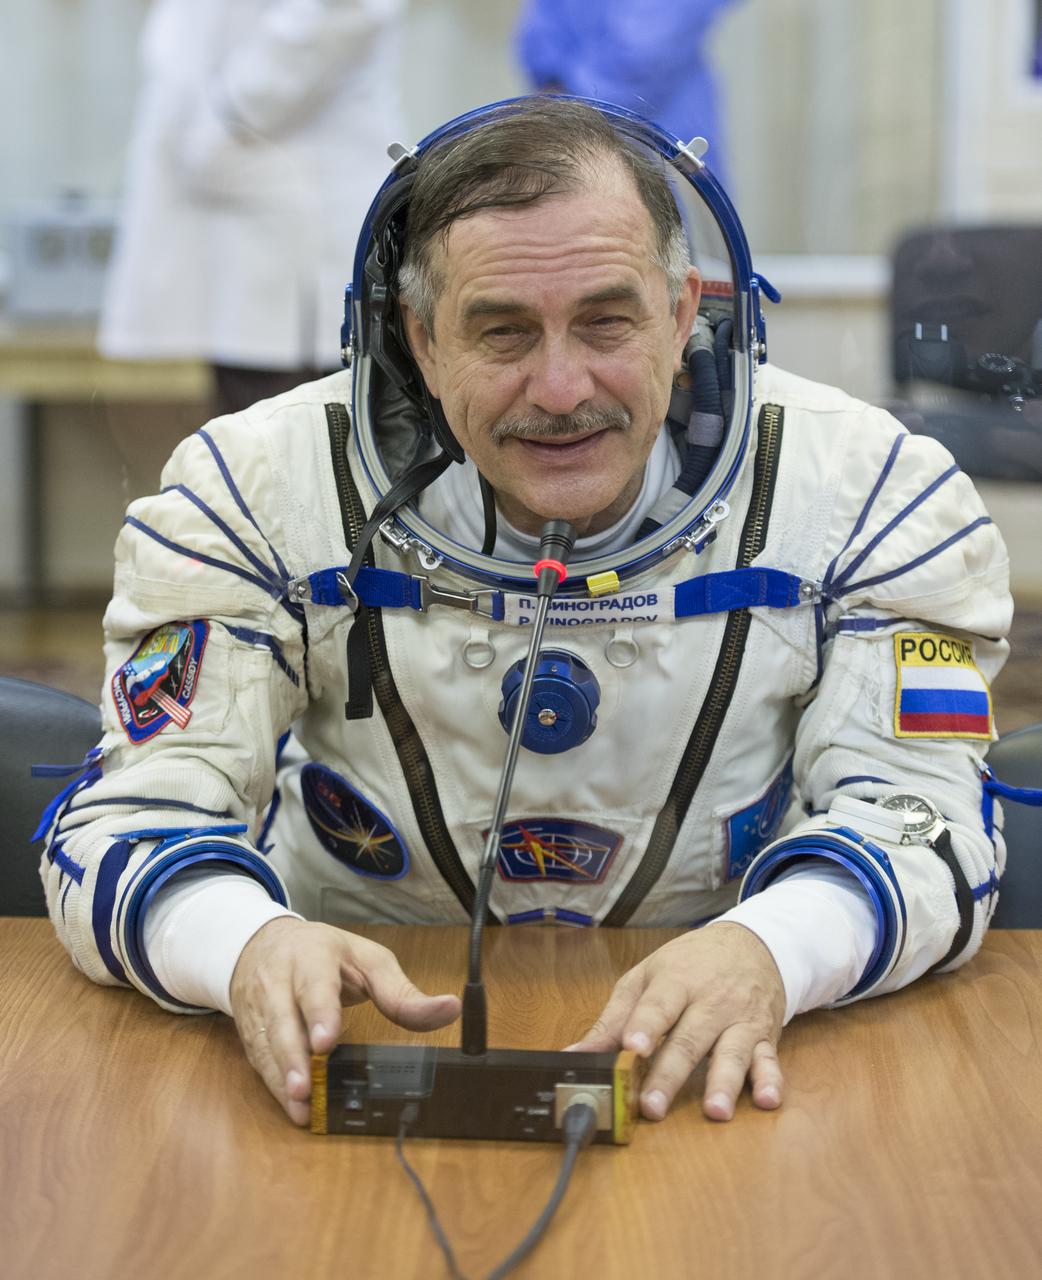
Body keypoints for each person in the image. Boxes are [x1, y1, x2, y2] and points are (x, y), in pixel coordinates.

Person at [42, 97, 1011, 1131]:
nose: (559, 387)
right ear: (416, 339)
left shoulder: (875, 491)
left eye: (607, 320)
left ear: (684, 312)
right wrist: (240, 943)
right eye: (501, 331)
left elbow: (929, 818)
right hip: (360, 1025)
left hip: (720, 1040)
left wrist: (779, 948)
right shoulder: (249, 488)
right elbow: (129, 819)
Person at [98, 0, 406, 416]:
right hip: (235, 208)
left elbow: (344, 10)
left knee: (299, 441)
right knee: (251, 444)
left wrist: (231, 115)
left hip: (288, 208)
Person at [515, 0, 738, 189]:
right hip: (566, 113)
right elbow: (543, 39)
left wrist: (567, 100)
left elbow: (650, 47)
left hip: (656, 117)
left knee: (663, 227)